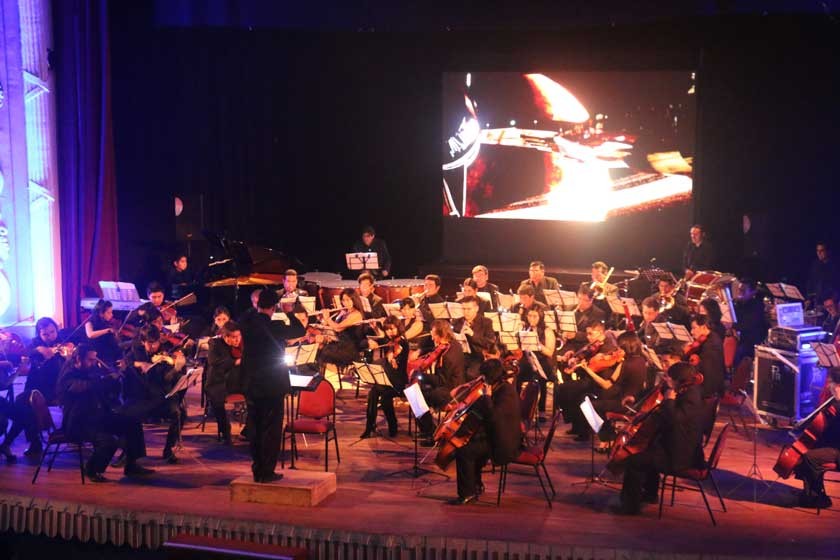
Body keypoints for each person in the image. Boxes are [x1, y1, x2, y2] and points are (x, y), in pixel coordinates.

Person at [613, 362, 705, 515]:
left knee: (634, 461)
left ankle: (630, 507)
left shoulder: (691, 398)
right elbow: (666, 409)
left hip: (682, 457)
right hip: (676, 447)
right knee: (649, 450)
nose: (667, 382)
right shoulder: (688, 391)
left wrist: (669, 400)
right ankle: (650, 494)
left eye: (670, 379)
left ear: (679, 380)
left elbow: (674, 420)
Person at [56, 344, 153, 482]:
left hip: (96, 417)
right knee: (109, 441)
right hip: (78, 422)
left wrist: (117, 377)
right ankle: (91, 469)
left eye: (94, 359)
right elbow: (85, 386)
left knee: (133, 423)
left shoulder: (89, 370)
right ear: (78, 359)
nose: (93, 363)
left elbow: (103, 389)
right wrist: (107, 379)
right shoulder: (68, 375)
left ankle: (131, 465)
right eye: (90, 359)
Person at [239, 290, 298, 483]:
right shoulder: (276, 326)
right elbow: (299, 331)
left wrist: (256, 308)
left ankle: (257, 469)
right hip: (272, 385)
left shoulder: (246, 323)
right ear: (274, 307)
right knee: (271, 429)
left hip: (251, 384)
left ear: (257, 305)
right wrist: (289, 312)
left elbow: (244, 316)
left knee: (255, 427)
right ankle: (267, 471)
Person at [447, 359, 522, 505]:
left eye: (484, 377)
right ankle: (475, 485)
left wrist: (486, 397)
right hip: (498, 436)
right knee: (471, 443)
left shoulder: (506, 392)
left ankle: (467, 494)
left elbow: (493, 418)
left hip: (504, 444)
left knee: (464, 451)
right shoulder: (501, 387)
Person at [0, 317, 69, 459]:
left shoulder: (64, 342)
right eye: (45, 334)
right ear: (39, 334)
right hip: (35, 386)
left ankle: (19, 443)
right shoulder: (35, 345)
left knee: (25, 404)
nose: (50, 336)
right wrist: (39, 349)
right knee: (23, 404)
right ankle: (32, 442)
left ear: (56, 330)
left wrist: (67, 356)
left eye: (52, 332)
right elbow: (27, 353)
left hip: (55, 389)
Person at [122, 324, 187, 464]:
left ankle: (168, 450)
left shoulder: (163, 352)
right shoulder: (135, 352)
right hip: (142, 396)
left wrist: (177, 367)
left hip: (160, 395)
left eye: (156, 343)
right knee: (131, 414)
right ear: (142, 342)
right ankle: (128, 454)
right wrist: (140, 364)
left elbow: (167, 378)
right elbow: (126, 363)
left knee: (179, 413)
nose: (154, 347)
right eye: (150, 343)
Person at [555, 320, 617, 440]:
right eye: (587, 334)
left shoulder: (608, 348)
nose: (588, 337)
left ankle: (577, 424)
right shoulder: (594, 345)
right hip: (588, 378)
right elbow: (585, 355)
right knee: (565, 389)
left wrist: (578, 366)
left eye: (591, 334)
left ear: (600, 333)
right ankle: (576, 425)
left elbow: (594, 366)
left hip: (598, 382)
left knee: (564, 389)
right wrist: (574, 356)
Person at [793, 368, 840, 508]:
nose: (828, 386)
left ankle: (817, 497)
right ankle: (811, 494)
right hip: (833, 446)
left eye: (830, 382)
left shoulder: (838, 405)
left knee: (810, 457)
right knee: (804, 453)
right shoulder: (834, 404)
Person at [416, 320, 466, 446]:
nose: (432, 337)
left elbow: (441, 381)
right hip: (451, 385)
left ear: (441, 335)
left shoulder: (448, 355)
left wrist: (422, 376)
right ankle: (427, 429)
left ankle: (431, 433)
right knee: (421, 391)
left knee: (418, 397)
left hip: (451, 390)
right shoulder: (453, 344)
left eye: (434, 335)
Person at [360, 316, 409, 438]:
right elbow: (380, 340)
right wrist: (375, 333)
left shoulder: (403, 343)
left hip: (398, 382)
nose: (390, 332)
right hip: (388, 379)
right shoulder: (390, 341)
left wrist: (393, 358)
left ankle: (391, 425)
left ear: (398, 328)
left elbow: (397, 359)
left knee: (382, 395)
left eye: (392, 329)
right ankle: (370, 426)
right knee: (373, 393)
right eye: (387, 330)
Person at [205, 321, 244, 445]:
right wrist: (234, 362)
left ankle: (249, 431)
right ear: (225, 336)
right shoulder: (215, 343)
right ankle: (225, 431)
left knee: (258, 396)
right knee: (217, 401)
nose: (237, 340)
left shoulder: (242, 344)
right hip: (218, 381)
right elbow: (213, 361)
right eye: (234, 337)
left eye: (239, 336)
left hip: (236, 381)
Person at [518, 307, 557, 419]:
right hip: (528, 360)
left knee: (540, 378)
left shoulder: (547, 331)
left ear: (540, 317)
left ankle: (542, 410)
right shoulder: (525, 328)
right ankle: (518, 408)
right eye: (529, 316)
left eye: (535, 316)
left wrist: (537, 344)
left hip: (543, 361)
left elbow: (550, 352)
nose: (531, 319)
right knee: (516, 374)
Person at [451, 296, 497, 379]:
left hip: (478, 357)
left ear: (476, 309)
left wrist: (472, 334)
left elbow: (489, 343)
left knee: (471, 374)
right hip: (461, 356)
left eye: (469, 309)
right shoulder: (457, 322)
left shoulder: (486, 322)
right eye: (463, 309)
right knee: (452, 373)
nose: (465, 312)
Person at [688, 315, 725, 398]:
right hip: (707, 384)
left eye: (694, 328)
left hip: (709, 389)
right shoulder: (711, 338)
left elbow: (706, 371)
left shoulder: (711, 345)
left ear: (704, 327)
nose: (691, 332)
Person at [562, 287, 606, 353]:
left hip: (582, 347)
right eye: (579, 298)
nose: (580, 302)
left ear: (591, 300)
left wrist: (576, 335)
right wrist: (563, 332)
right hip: (567, 343)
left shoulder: (598, 314)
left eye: (584, 300)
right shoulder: (570, 308)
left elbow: (596, 336)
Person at [85, 299, 123, 366]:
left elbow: (115, 344)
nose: (112, 315)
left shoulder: (107, 324)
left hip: (112, 356)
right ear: (101, 314)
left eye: (111, 312)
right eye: (109, 313)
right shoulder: (89, 323)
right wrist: (107, 330)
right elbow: (90, 334)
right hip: (100, 357)